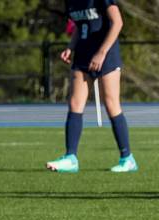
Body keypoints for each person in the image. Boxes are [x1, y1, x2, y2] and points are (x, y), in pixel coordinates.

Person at [46, 0, 137, 173]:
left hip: (106, 55)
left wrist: (102, 53)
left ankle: (127, 158)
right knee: (75, 104)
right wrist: (71, 47)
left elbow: (117, 22)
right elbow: (81, 27)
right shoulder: (71, 3)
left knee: (111, 104)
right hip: (83, 54)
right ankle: (71, 158)